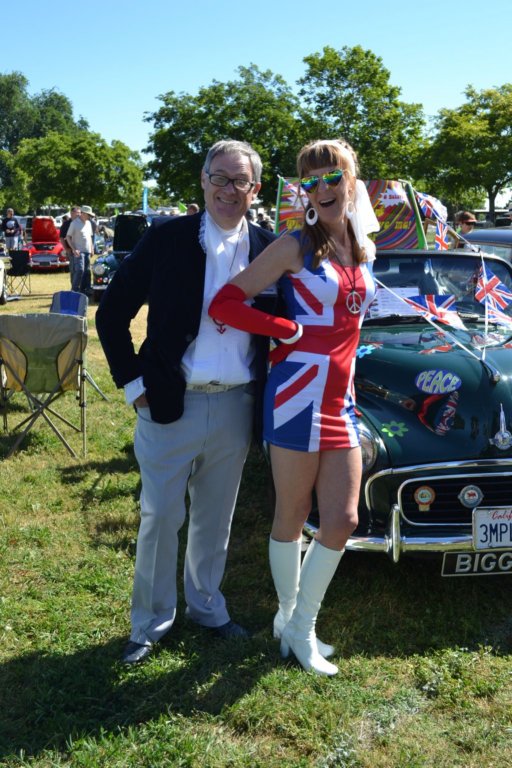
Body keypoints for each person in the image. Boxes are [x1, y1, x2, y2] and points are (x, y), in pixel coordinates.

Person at [96, 139, 277, 664]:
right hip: (169, 400)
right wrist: (133, 385)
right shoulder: (167, 237)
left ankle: (207, 608)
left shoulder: (270, 248)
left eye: (239, 180)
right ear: (203, 180)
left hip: (237, 403)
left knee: (216, 518)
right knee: (160, 516)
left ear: (255, 189)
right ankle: (150, 622)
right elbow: (112, 312)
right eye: (219, 177)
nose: (228, 189)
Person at [209, 138, 379, 676]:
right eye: (311, 181)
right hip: (297, 394)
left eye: (332, 177)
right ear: (302, 191)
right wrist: (283, 328)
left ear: (351, 182)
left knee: (344, 519)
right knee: (292, 514)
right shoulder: (294, 245)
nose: (322, 188)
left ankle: (298, 622)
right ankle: (294, 624)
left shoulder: (362, 245)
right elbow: (225, 303)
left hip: (342, 399)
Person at [65, 205, 95, 294]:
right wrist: (74, 249)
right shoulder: (74, 223)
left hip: (87, 251)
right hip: (78, 251)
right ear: (83, 213)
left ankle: (86, 289)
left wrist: (92, 248)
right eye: (89, 215)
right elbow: (68, 237)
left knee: (87, 271)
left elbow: (90, 237)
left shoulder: (89, 223)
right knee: (80, 270)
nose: (90, 217)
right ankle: (74, 289)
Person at [59, 207, 81, 287]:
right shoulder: (66, 224)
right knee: (73, 269)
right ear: (71, 213)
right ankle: (74, 287)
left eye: (80, 213)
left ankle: (81, 287)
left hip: (81, 250)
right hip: (71, 251)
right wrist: (66, 249)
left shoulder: (81, 223)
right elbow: (62, 238)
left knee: (81, 269)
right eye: (77, 212)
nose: (79, 214)